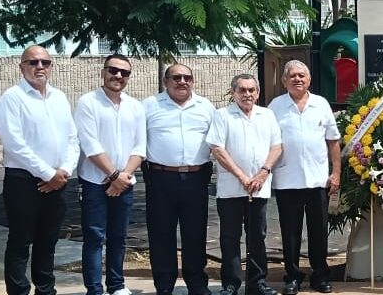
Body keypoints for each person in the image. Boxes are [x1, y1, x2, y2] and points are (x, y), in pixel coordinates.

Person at [0, 45, 79, 295]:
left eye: (45, 62)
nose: (39, 67)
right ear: (22, 67)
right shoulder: (12, 97)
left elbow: (72, 139)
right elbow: (14, 143)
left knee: (48, 240)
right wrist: (48, 174)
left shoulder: (59, 97)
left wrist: (63, 171)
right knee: (20, 241)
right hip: (23, 181)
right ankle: (19, 290)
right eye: (33, 62)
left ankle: (45, 290)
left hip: (58, 180)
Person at [74, 54, 147, 295]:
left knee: (119, 236)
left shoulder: (135, 107)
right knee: (95, 237)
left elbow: (140, 147)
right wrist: (114, 175)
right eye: (113, 70)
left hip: (125, 183)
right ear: (103, 72)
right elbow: (90, 144)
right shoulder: (88, 102)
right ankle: (95, 289)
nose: (118, 76)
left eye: (124, 72)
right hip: (94, 182)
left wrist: (123, 177)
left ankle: (116, 285)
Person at [142, 64, 217, 295]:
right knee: (161, 233)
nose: (182, 81)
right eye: (176, 77)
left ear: (193, 81)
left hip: (196, 178)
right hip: (160, 177)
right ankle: (164, 285)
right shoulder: (149, 106)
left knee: (195, 233)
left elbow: (217, 141)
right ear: (166, 81)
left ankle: (197, 284)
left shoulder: (205, 107)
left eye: (187, 77)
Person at [266, 61, 338, 295]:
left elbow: (333, 141)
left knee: (319, 231)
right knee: (290, 232)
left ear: (309, 80)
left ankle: (320, 275)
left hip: (318, 180)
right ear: (284, 80)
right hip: (287, 179)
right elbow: (267, 140)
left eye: (302, 75)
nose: (297, 79)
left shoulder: (321, 104)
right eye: (292, 76)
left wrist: (336, 172)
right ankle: (293, 276)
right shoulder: (275, 107)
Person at [208, 74, 283, 295]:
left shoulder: (267, 115)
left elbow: (277, 146)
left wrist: (263, 172)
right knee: (230, 238)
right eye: (242, 90)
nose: (247, 94)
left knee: (257, 237)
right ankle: (231, 284)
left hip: (259, 187)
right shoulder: (222, 115)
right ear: (233, 93)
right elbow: (217, 149)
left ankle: (257, 283)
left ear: (257, 93)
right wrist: (242, 177)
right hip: (231, 189)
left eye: (251, 90)